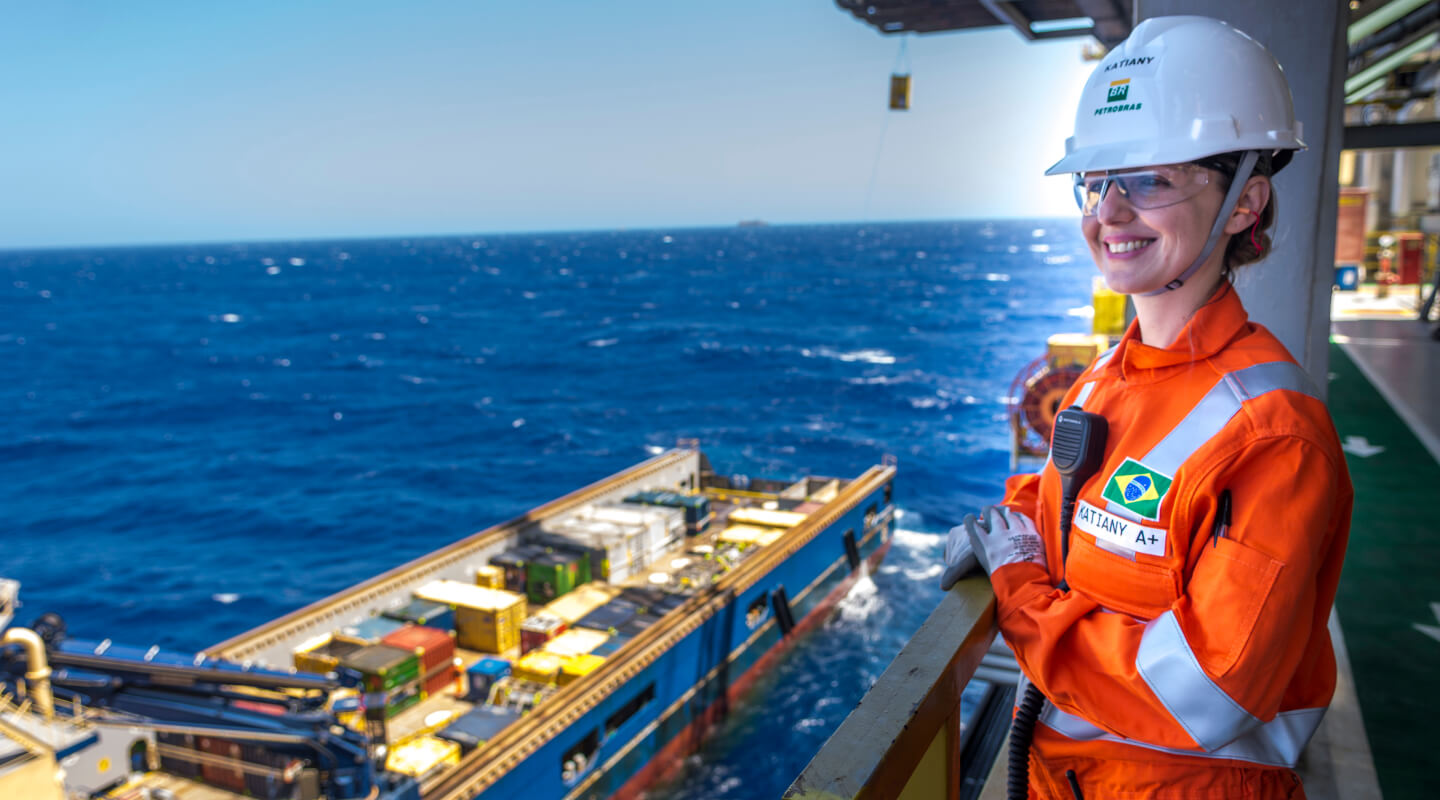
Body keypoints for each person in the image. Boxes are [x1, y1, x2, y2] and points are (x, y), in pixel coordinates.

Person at [941, 16, 1353, 800]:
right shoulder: (1108, 378)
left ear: (1244, 204)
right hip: (1064, 776)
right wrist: (1007, 529)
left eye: (1151, 180)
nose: (1109, 213)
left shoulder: (1274, 433)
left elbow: (1207, 694)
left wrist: (1021, 591)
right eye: (1096, 183)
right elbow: (1059, 500)